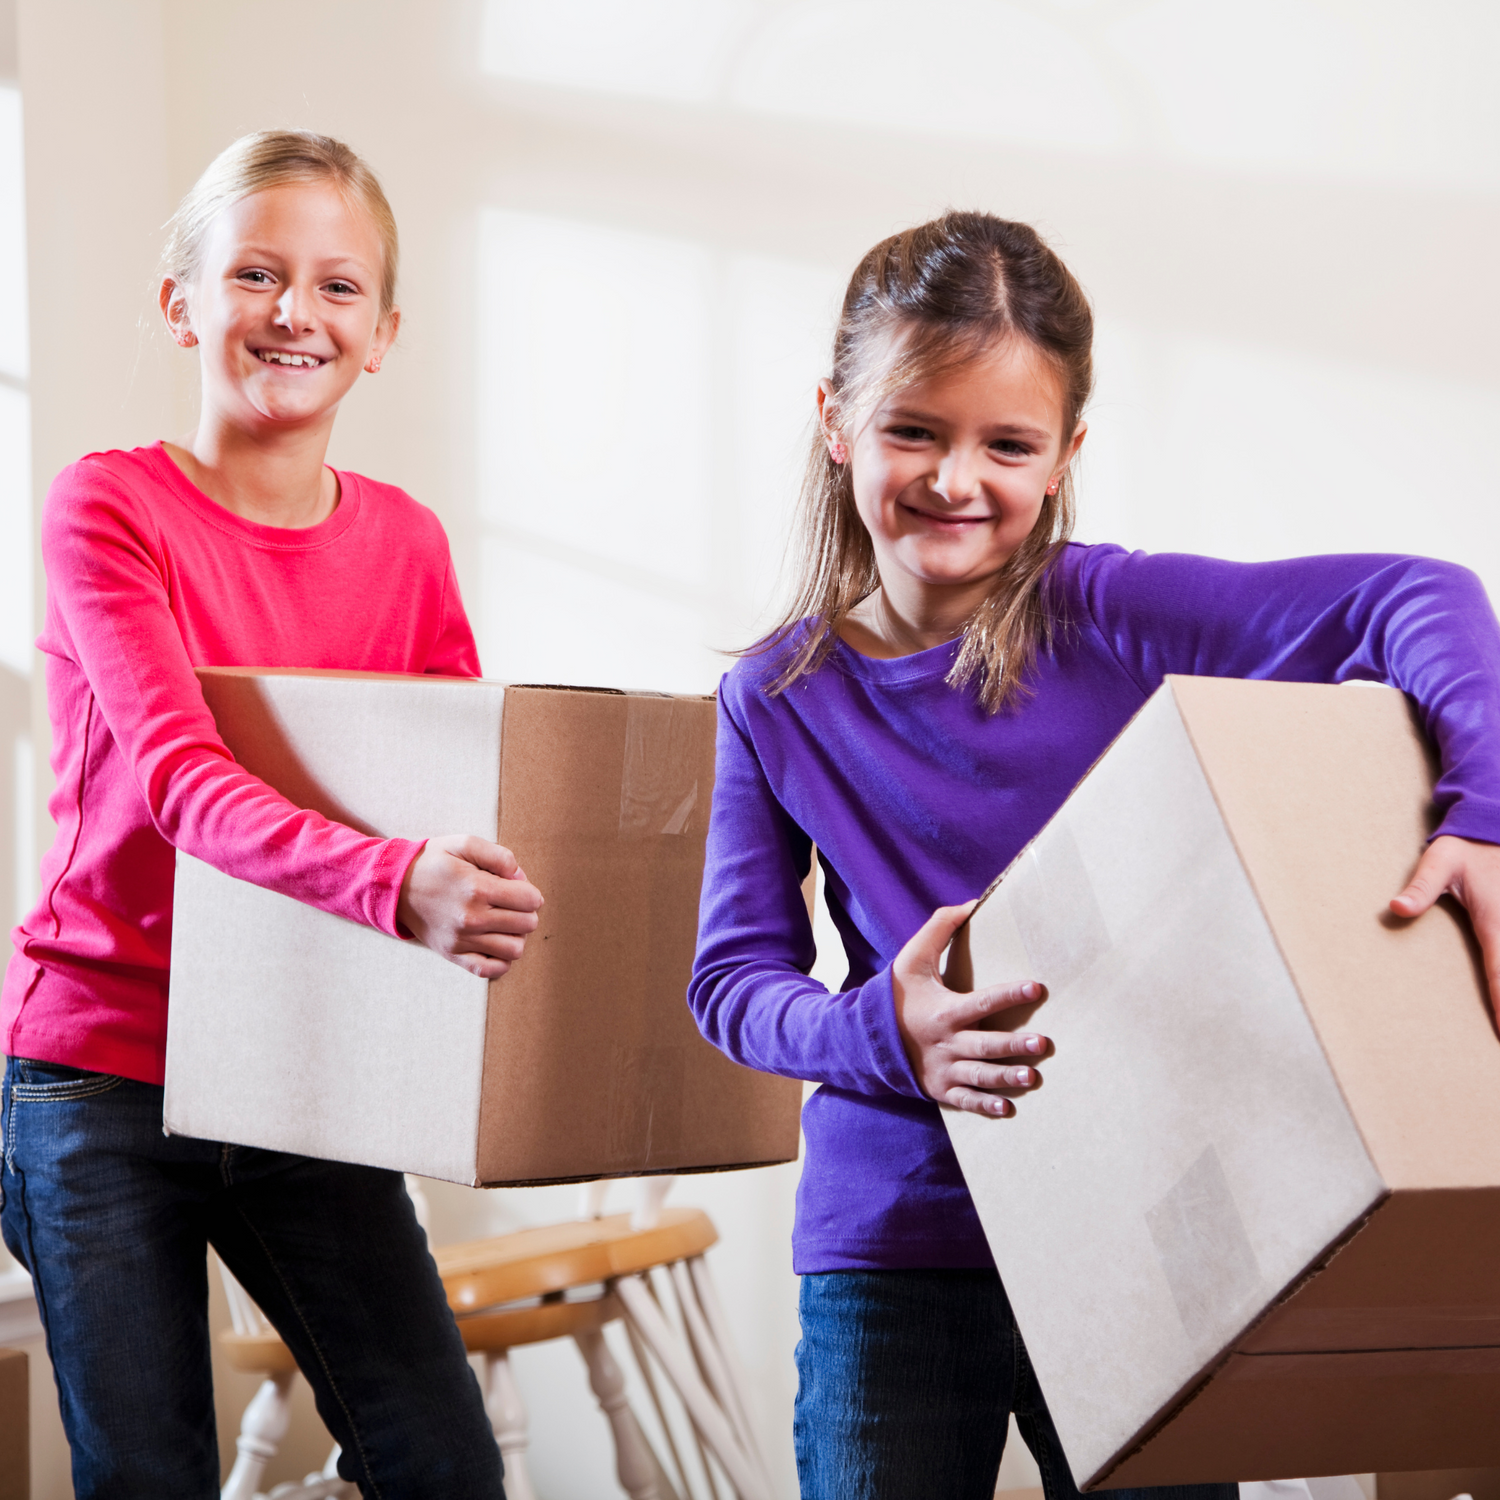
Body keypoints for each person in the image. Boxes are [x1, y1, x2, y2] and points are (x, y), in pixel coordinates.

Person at [688, 211, 1500, 1500]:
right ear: (835, 420)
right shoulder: (776, 695)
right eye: (914, 430)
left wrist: (1481, 815)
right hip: (897, 1233)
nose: (958, 480)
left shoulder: (1108, 612)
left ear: (1065, 456)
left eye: (1007, 444)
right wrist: (880, 1035)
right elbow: (731, 984)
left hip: (1131, 1216)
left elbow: (1419, 595)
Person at [0, 131, 540, 1498]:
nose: (295, 311)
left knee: (443, 1465)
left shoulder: (405, 543)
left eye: (337, 287)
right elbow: (183, 785)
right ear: (183, 303)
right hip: (98, 1071)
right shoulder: (108, 508)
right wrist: (396, 883)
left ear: (383, 335)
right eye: (255, 273)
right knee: (149, 1475)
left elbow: (451, 786)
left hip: (300, 1073)